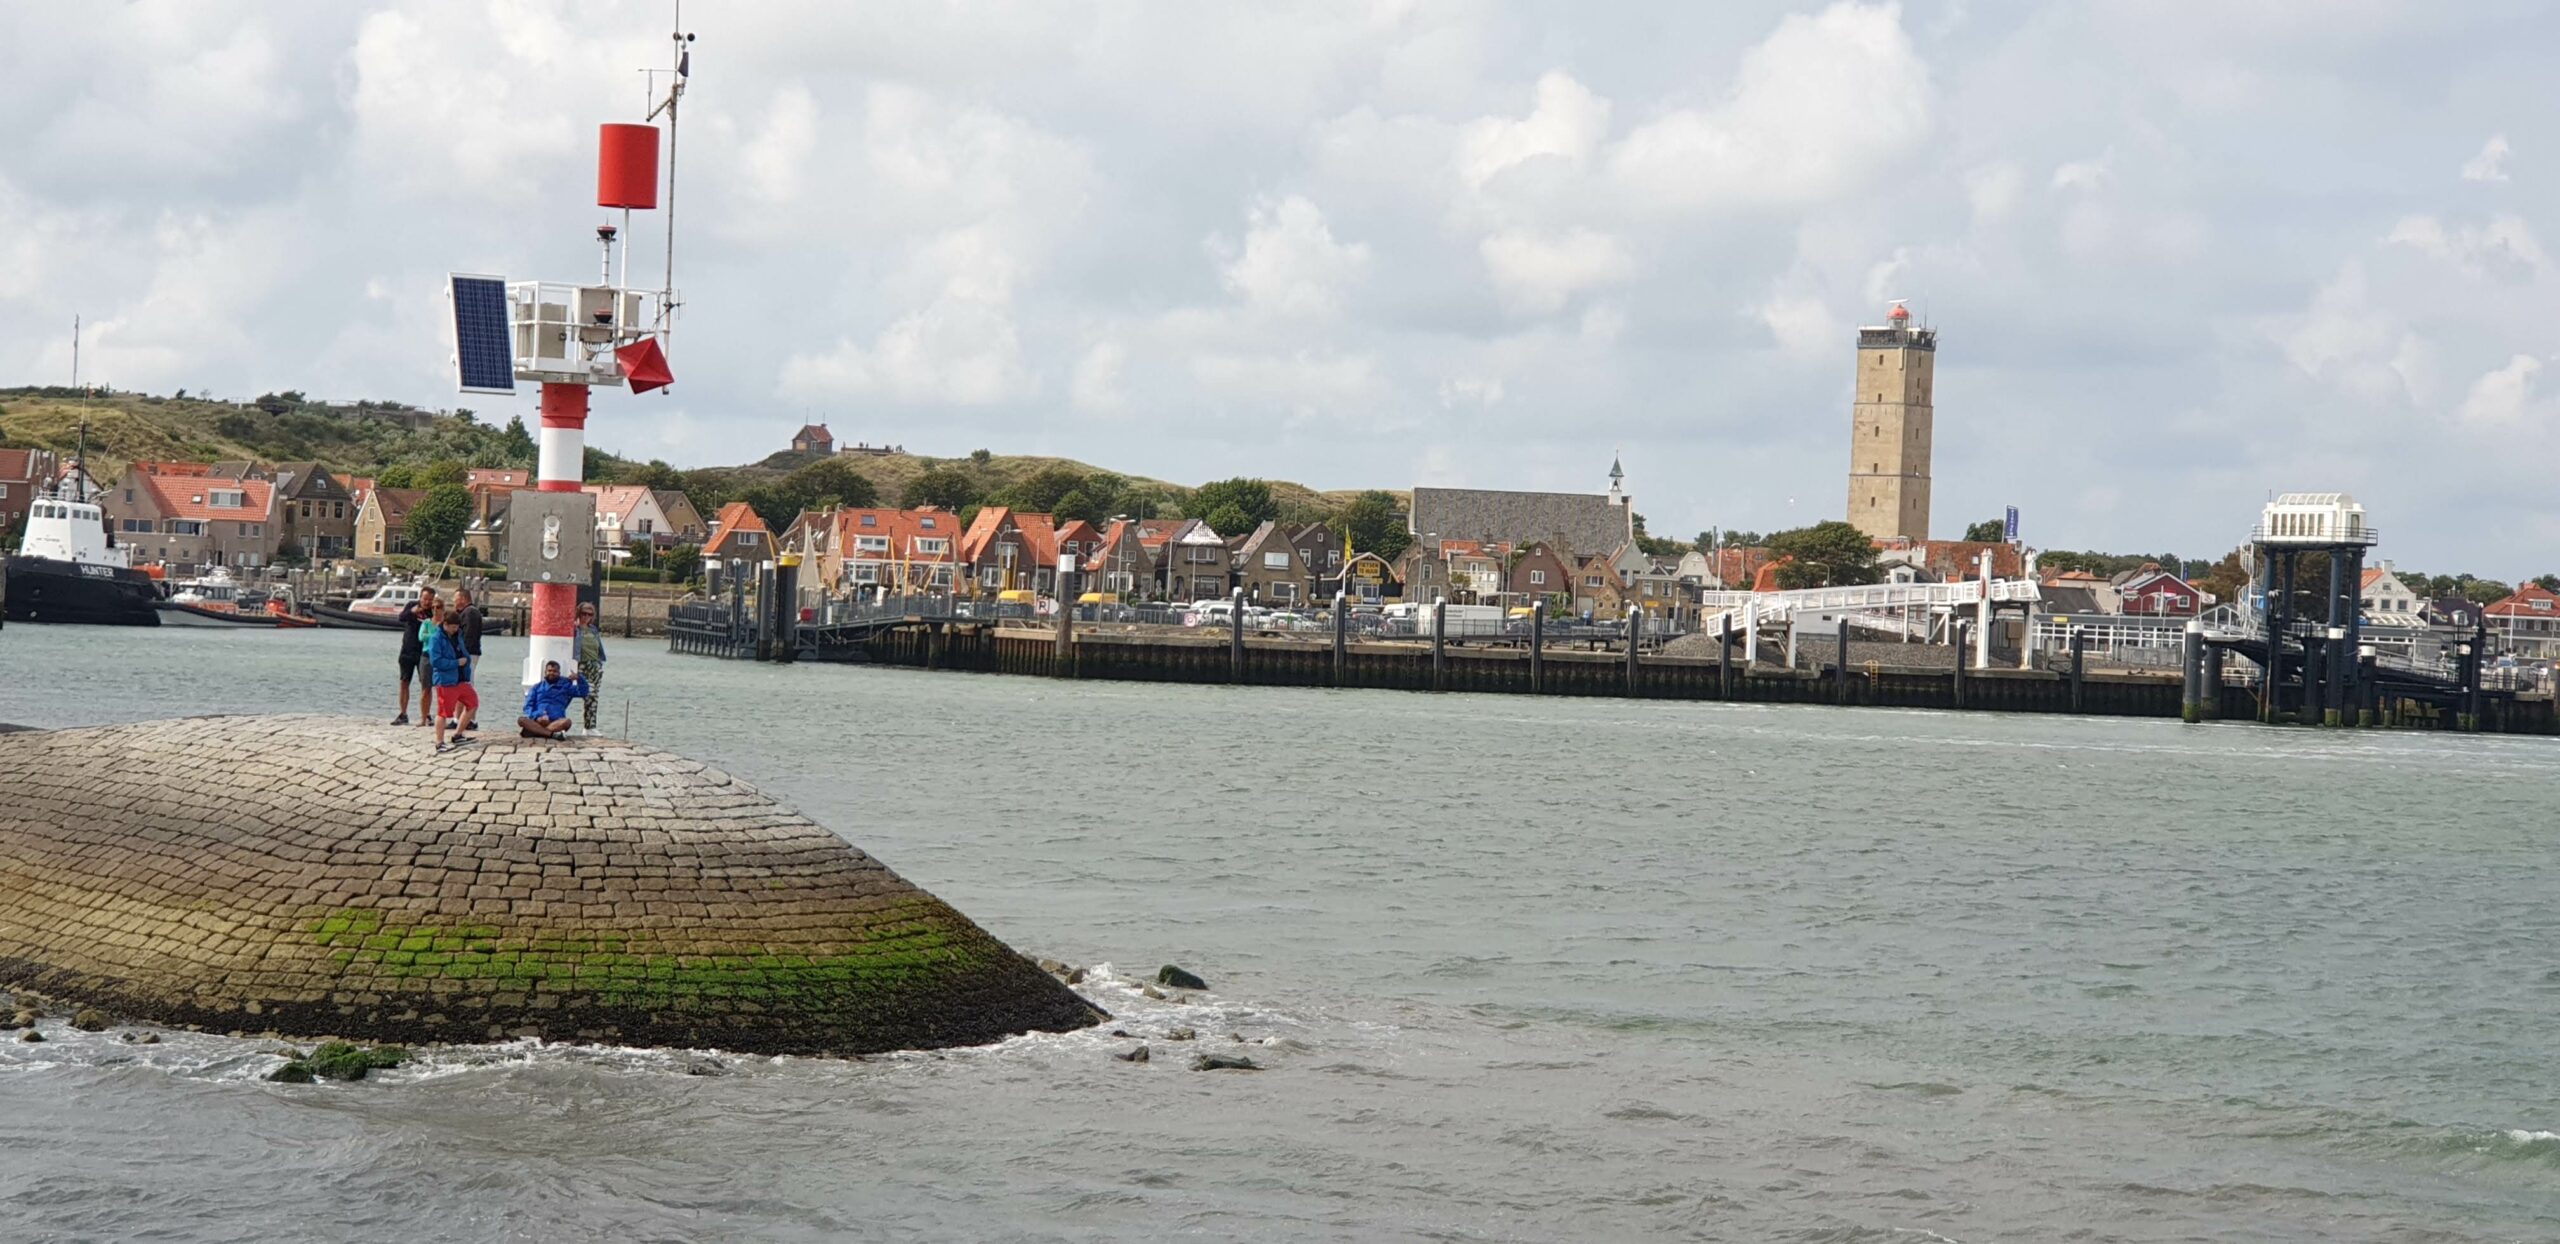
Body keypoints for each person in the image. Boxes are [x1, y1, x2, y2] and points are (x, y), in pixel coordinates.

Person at [425, 603, 477, 752]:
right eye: (453, 627)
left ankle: (458, 734)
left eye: (457, 627)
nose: (456, 629)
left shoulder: (458, 635)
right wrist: (455, 663)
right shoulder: (436, 639)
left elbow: (462, 650)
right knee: (443, 712)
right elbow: (435, 661)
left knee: (473, 703)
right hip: (445, 681)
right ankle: (439, 742)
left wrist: (466, 663)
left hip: (461, 679)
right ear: (445, 624)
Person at [392, 585, 437, 725]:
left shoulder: (433, 613)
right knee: (404, 681)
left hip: (424, 653)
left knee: (426, 685)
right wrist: (412, 612)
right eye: (425, 599)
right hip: (407, 650)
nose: (427, 602)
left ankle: (426, 715)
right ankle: (403, 714)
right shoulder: (412, 605)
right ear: (420, 598)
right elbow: (401, 618)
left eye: (430, 599)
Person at [518, 659, 590, 738]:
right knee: (521, 720)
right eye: (549, 671)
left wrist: (579, 679)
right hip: (538, 720)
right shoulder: (537, 687)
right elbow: (528, 706)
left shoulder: (566, 686)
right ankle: (551, 734)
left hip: (555, 721)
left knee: (567, 722)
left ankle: (536, 731)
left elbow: (583, 692)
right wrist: (538, 716)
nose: (552, 673)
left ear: (559, 673)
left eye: (555, 671)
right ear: (545, 672)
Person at [452, 587, 486, 733]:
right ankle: (459, 718)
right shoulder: (468, 612)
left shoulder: (470, 613)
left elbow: (469, 636)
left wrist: (462, 654)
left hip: (468, 654)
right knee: (462, 685)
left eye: (456, 598)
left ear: (463, 599)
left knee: (466, 685)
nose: (454, 601)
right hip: (469, 653)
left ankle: (470, 719)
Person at [574, 600, 608, 732]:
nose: (586, 617)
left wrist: (600, 662)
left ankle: (589, 727)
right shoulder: (574, 629)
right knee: (587, 693)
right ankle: (558, 721)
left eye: (590, 614)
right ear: (578, 613)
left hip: (595, 665)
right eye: (584, 613)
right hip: (581, 664)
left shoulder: (593, 630)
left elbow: (598, 647)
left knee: (594, 696)